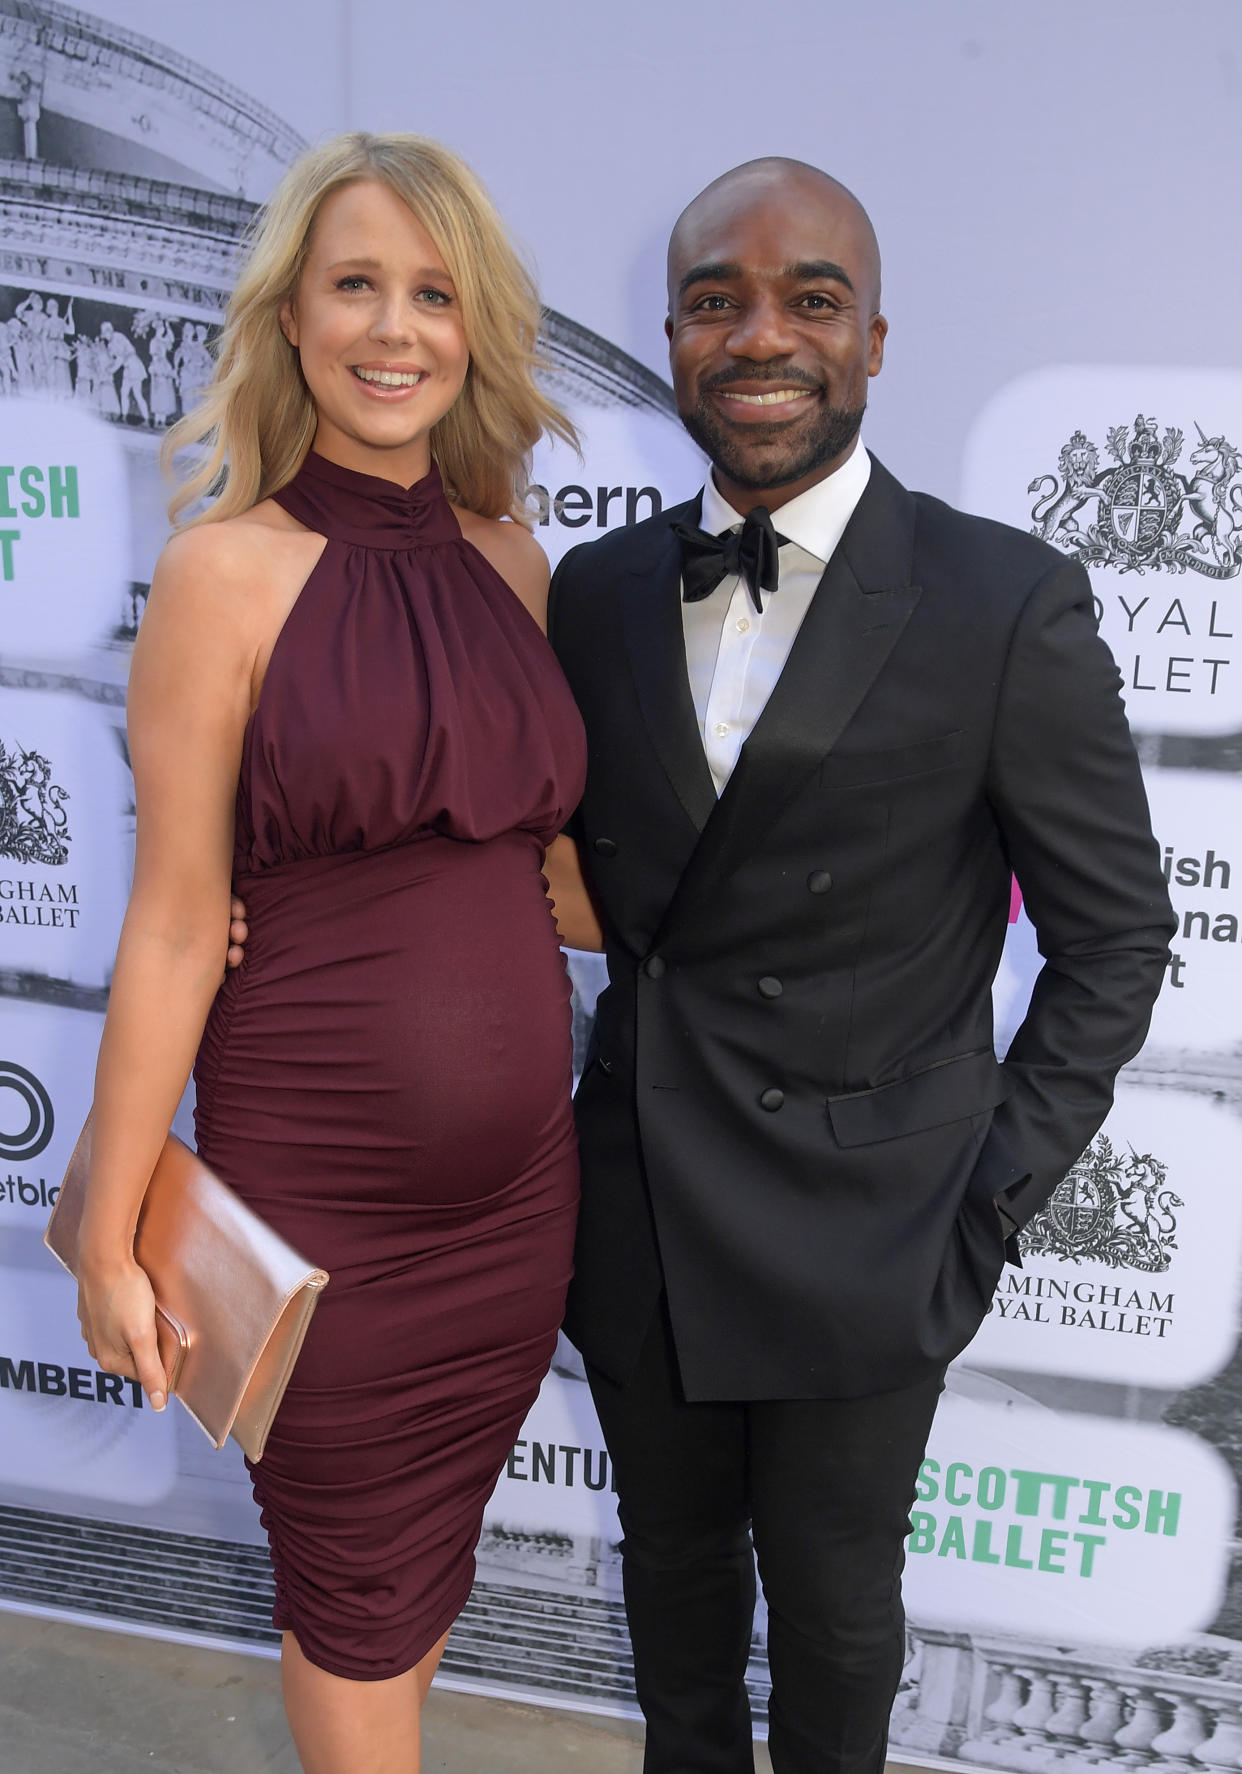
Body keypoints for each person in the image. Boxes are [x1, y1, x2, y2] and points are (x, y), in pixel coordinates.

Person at [542, 159, 1176, 1774]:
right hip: (642, 1212)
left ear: (874, 339)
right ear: (671, 333)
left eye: (808, 299)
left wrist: (980, 1202)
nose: (760, 337)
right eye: (714, 301)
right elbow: (557, 866)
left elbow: (1112, 938)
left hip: (862, 1239)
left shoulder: (998, 599)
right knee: (672, 1615)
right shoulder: (596, 589)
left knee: (833, 1634)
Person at [74, 131, 585, 1774]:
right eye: (356, 283)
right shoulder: (220, 574)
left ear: (473, 327)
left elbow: (544, 866)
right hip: (320, 1214)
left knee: (408, 1591)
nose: (394, 327)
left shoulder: (515, 561)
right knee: (351, 1593)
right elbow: (170, 921)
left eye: (433, 293)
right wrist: (107, 1219)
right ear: (290, 316)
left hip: (516, 1213)